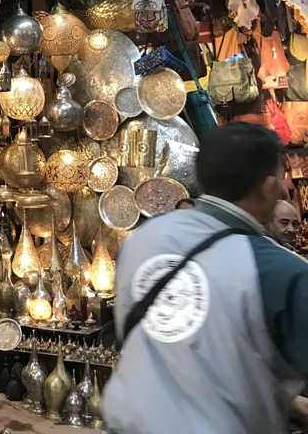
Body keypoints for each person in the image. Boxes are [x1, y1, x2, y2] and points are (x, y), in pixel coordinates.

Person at [104, 123, 308, 434]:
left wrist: (281, 398)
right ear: (266, 186)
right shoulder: (279, 270)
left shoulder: (143, 240)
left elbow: (173, 348)